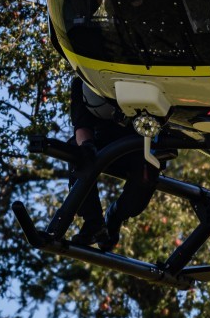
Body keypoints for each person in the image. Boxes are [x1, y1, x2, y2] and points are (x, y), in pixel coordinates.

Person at [67, 76, 161, 252]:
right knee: (75, 151)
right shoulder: (81, 82)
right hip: (102, 143)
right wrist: (86, 149)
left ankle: (115, 217)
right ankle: (93, 223)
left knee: (145, 179)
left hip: (140, 142)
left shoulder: (139, 79)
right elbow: (81, 127)